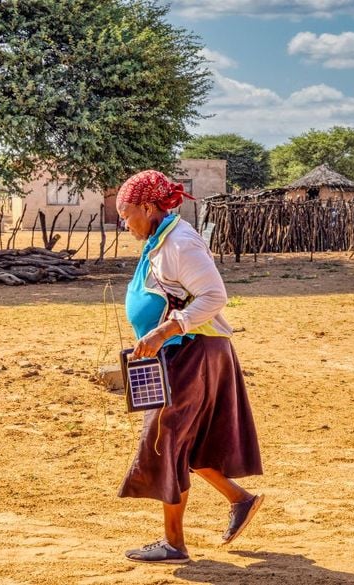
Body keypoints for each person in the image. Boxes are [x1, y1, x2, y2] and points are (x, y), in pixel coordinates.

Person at [116, 170, 264, 564]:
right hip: (176, 355)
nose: (124, 221)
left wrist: (164, 331)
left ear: (148, 207)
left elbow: (215, 296)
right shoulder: (159, 240)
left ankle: (174, 543)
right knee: (185, 444)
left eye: (127, 212)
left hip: (192, 354)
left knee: (167, 441)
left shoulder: (180, 242)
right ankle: (240, 499)